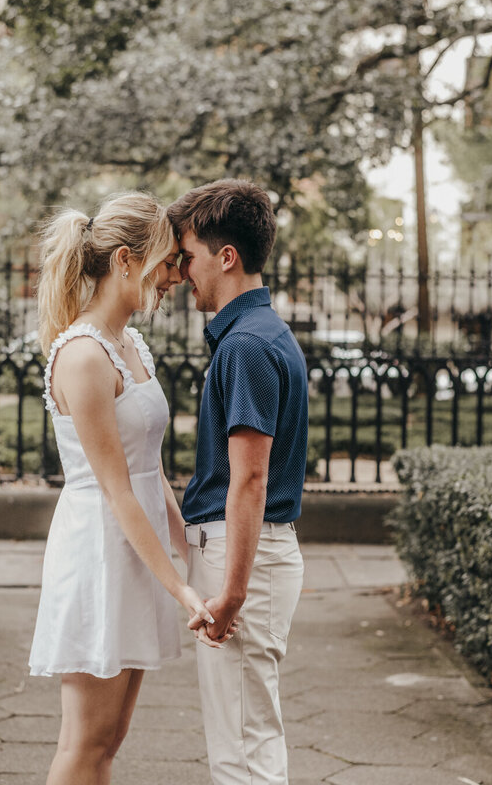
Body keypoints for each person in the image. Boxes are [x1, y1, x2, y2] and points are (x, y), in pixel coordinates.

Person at [28, 192, 233, 785]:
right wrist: (180, 590)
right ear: (125, 260)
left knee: (110, 739)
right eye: (166, 261)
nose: (175, 275)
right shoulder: (85, 356)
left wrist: (191, 549)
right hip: (100, 552)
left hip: (136, 551)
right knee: (86, 742)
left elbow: (151, 472)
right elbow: (117, 489)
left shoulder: (131, 345)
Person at [167, 179, 308, 784]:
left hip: (242, 553)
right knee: (242, 740)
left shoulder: (247, 345)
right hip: (243, 551)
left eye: (189, 256)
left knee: (244, 751)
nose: (182, 272)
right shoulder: (256, 335)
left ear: (227, 257)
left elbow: (250, 479)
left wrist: (232, 591)